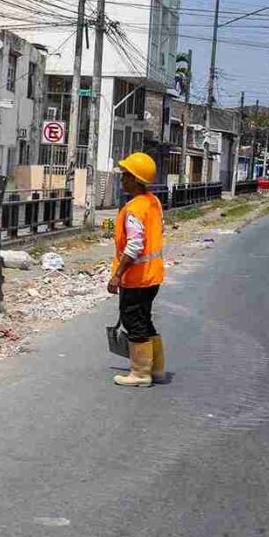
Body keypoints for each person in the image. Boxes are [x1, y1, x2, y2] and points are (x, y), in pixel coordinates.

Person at [109, 152, 166, 387]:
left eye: (125, 175)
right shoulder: (153, 202)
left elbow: (134, 245)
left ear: (135, 179)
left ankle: (141, 373)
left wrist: (117, 275)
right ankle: (157, 368)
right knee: (145, 319)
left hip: (137, 277)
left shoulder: (134, 209)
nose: (123, 179)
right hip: (153, 275)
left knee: (134, 321)